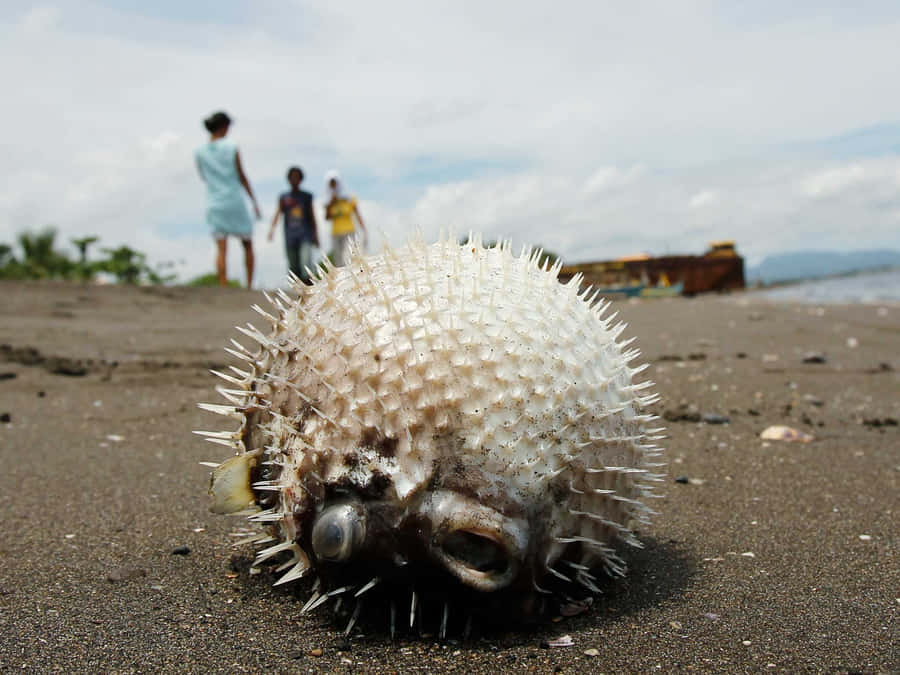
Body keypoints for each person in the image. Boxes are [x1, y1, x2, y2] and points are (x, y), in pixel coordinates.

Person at [194, 111, 261, 288]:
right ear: (224, 127)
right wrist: (254, 201)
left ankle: (223, 284)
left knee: (221, 247)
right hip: (234, 199)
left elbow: (203, 176)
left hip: (214, 201)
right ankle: (249, 285)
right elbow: (241, 175)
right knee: (247, 243)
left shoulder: (200, 152)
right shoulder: (231, 146)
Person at [268, 166, 319, 284]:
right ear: (288, 179)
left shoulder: (306, 197)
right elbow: (278, 212)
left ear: (301, 179)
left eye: (297, 177)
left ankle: (310, 291)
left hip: (305, 235)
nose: (294, 180)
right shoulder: (284, 197)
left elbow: (312, 216)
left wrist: (316, 235)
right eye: (292, 177)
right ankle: (298, 294)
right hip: (290, 236)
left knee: (306, 263)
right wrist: (272, 229)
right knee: (293, 266)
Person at [323, 170, 367, 266]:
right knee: (339, 260)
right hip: (336, 233)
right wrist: (331, 202)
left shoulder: (349, 198)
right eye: (331, 184)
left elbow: (357, 214)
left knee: (351, 255)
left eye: (334, 183)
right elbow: (327, 217)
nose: (333, 186)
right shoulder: (328, 201)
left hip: (349, 231)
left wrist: (364, 229)